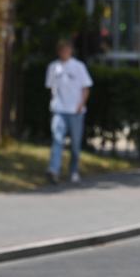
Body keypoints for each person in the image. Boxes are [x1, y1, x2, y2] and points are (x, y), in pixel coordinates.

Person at [45, 39, 93, 185]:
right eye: (61, 50)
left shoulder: (78, 66)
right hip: (59, 109)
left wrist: (81, 105)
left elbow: (86, 88)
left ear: (71, 51)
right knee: (57, 140)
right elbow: (51, 88)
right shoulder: (53, 67)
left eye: (66, 50)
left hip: (75, 111)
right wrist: (54, 103)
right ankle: (54, 170)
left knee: (75, 145)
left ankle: (73, 171)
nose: (64, 53)